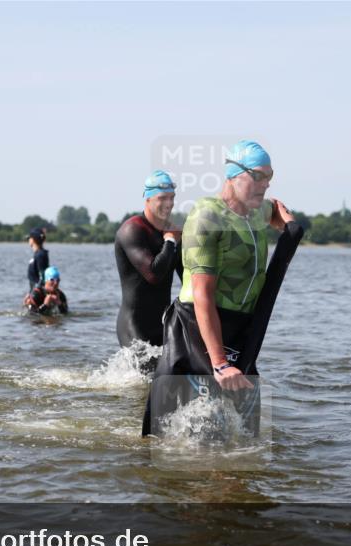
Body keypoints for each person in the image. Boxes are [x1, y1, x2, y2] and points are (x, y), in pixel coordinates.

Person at [143, 140, 299, 436]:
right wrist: (219, 363)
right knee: (184, 431)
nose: (265, 184)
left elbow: (275, 210)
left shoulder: (256, 210)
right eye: (258, 176)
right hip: (195, 326)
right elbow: (203, 295)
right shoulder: (207, 216)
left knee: (240, 430)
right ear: (233, 174)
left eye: (270, 176)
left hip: (240, 327)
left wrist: (287, 221)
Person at [114, 170, 183, 349]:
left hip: (162, 325)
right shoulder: (132, 229)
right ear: (148, 199)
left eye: (172, 197)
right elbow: (153, 274)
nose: (169, 204)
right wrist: (170, 241)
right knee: (145, 377)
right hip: (134, 327)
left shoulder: (172, 233)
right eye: (162, 198)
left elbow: (188, 278)